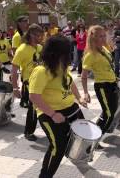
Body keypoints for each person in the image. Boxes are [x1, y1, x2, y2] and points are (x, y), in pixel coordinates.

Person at [29, 35, 86, 178]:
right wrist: (53, 114)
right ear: (56, 53)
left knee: (79, 137)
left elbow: (70, 83)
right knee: (58, 147)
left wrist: (79, 98)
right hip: (50, 113)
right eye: (66, 52)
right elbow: (34, 96)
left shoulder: (61, 65)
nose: (69, 55)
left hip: (70, 108)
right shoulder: (41, 71)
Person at [81, 25, 118, 143]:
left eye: (104, 36)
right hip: (102, 86)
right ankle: (94, 140)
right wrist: (86, 93)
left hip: (112, 84)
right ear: (93, 38)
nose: (103, 38)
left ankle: (95, 133)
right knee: (109, 115)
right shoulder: (90, 55)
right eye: (100, 36)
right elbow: (83, 76)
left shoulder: (104, 49)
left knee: (109, 112)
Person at [11, 24, 44, 141]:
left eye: (41, 35)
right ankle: (28, 131)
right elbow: (14, 70)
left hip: (42, 81)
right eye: (38, 35)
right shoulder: (22, 49)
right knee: (33, 107)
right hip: (29, 82)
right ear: (30, 34)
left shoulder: (40, 48)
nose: (40, 37)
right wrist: (15, 88)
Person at [12, 16, 29, 108]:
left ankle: (25, 100)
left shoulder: (27, 33)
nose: (27, 23)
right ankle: (24, 101)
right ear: (19, 23)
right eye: (24, 21)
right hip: (22, 63)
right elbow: (14, 50)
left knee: (27, 83)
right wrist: (17, 65)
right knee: (26, 83)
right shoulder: (16, 36)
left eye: (27, 21)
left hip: (30, 61)